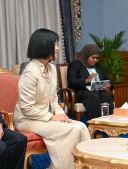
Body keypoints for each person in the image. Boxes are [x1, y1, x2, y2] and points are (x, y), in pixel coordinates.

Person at [13, 28, 91, 169]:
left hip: (43, 117)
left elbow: (54, 99)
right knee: (71, 130)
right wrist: (51, 117)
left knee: (81, 126)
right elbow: (26, 108)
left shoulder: (51, 68)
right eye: (54, 45)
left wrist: (60, 114)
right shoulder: (30, 72)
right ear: (43, 45)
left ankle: (83, 166)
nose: (57, 48)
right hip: (26, 119)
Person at [67, 44, 115, 120]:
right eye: (93, 58)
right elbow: (71, 81)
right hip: (82, 92)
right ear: (86, 55)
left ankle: (108, 126)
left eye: (97, 58)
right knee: (93, 97)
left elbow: (107, 78)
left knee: (107, 96)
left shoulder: (98, 66)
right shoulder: (75, 65)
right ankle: (96, 129)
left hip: (97, 91)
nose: (95, 60)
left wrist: (108, 84)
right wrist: (86, 80)